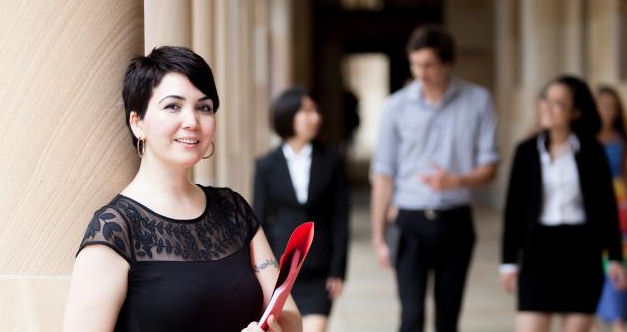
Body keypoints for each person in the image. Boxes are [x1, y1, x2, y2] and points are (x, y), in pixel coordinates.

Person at [61, 46, 301, 332]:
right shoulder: (114, 229)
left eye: (204, 107)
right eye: (173, 106)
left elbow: (291, 318)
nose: (192, 121)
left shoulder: (233, 208)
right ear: (137, 122)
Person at [370, 24, 500, 332]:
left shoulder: (478, 100)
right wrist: (378, 238)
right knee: (411, 316)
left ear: (448, 63)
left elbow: (491, 166)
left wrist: (457, 181)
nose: (421, 72)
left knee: (448, 316)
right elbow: (384, 174)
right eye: (415, 64)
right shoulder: (395, 107)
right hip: (409, 222)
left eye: (428, 65)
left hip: (456, 221)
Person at [501, 76, 627, 331]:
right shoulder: (525, 151)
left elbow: (606, 208)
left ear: (575, 111)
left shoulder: (592, 151)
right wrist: (508, 262)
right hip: (538, 250)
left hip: (582, 252)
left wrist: (615, 258)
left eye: (558, 103)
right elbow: (513, 211)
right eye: (545, 100)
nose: (547, 107)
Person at [254, 87, 350, 332]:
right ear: (288, 116)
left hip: (319, 270)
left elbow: (340, 217)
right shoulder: (266, 165)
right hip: (281, 272)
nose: (315, 117)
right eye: (306, 111)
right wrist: (261, 270)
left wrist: (338, 270)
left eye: (316, 111)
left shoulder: (332, 159)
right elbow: (259, 221)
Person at [594, 86, 627, 331]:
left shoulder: (621, 139)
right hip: (594, 205)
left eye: (611, 106)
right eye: (601, 106)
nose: (606, 111)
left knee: (617, 260)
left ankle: (617, 317)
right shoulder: (586, 139)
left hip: (620, 204)